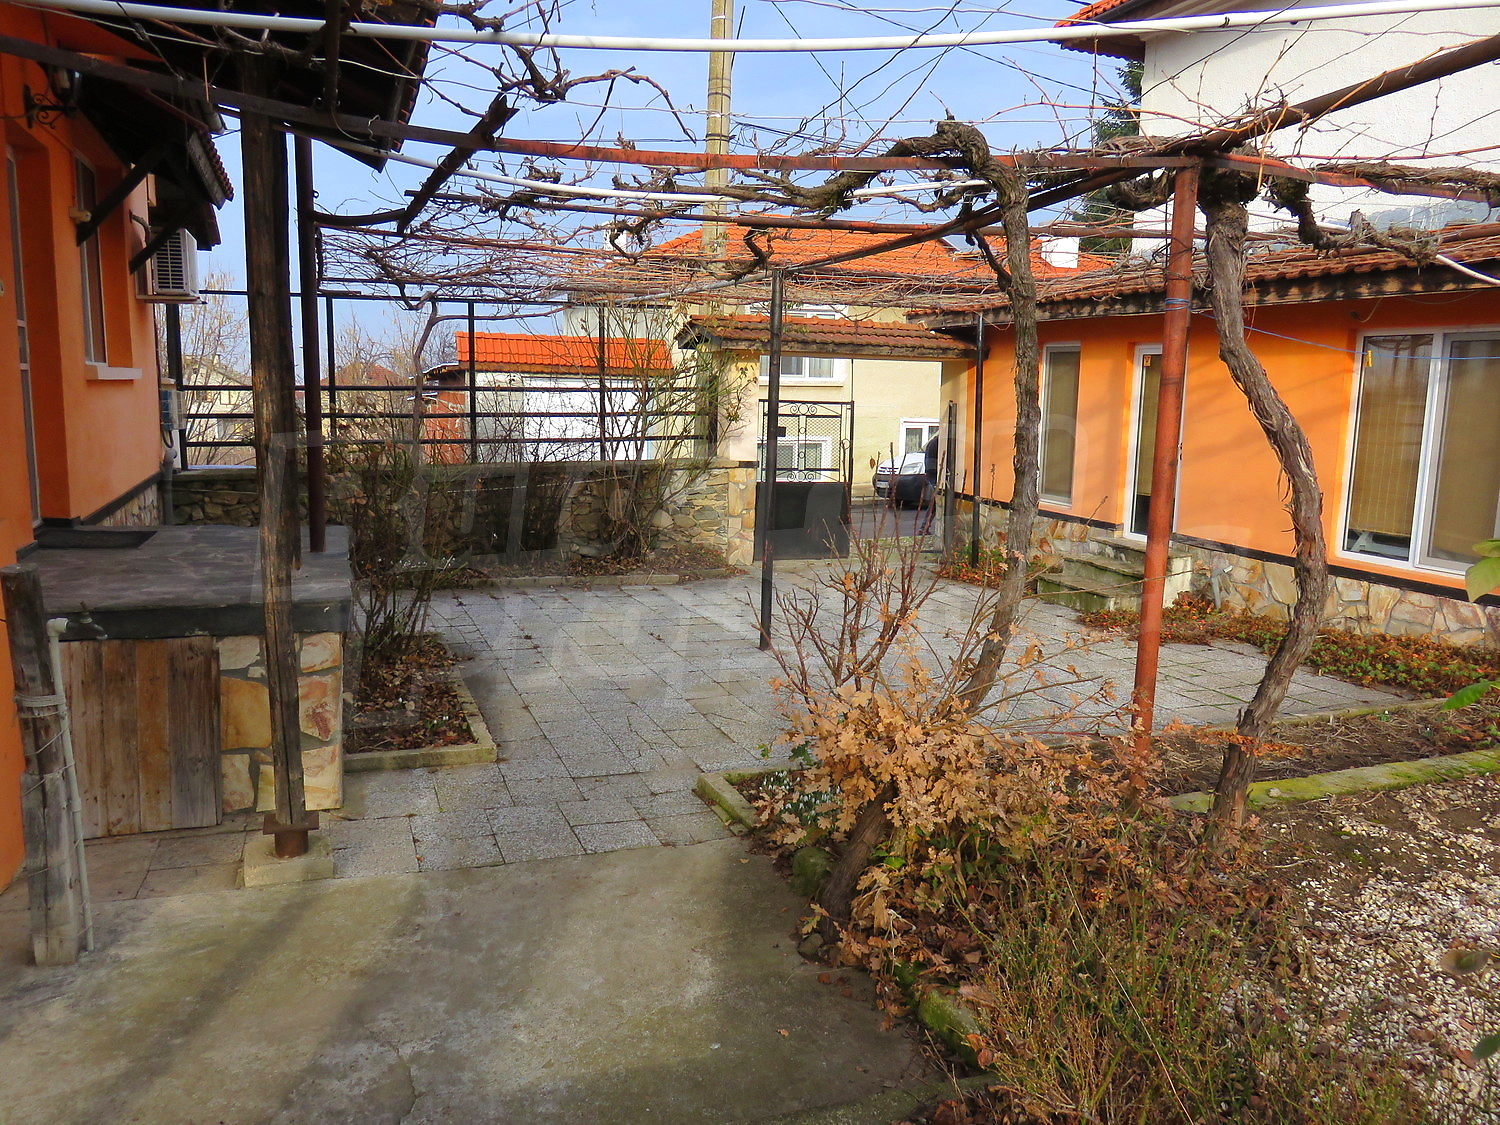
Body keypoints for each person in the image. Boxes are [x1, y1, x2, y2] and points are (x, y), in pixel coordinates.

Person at [916, 433, 939, 536]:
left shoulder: (934, 442)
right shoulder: (937, 443)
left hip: (933, 475)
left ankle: (924, 528)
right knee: (934, 503)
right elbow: (932, 464)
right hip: (935, 475)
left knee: (934, 503)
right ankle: (924, 528)